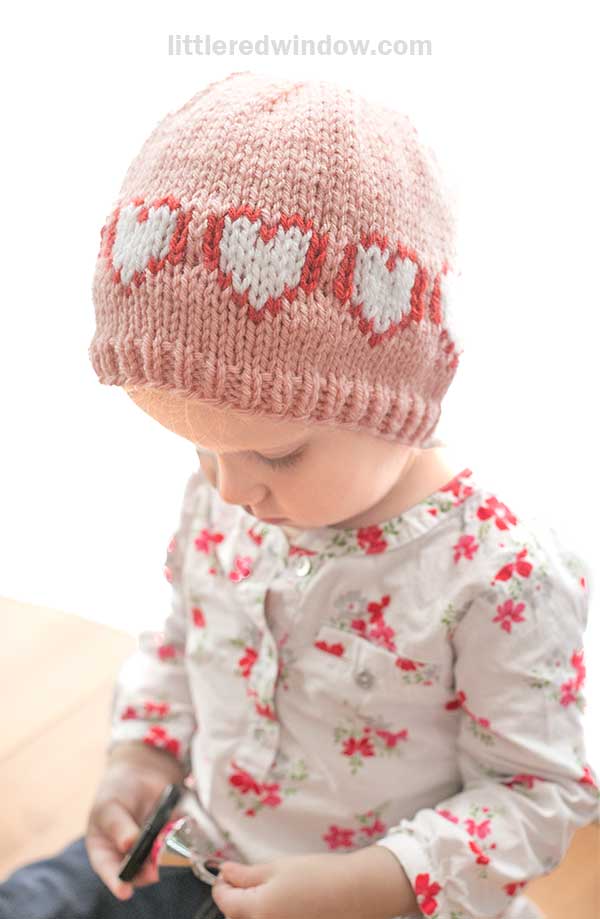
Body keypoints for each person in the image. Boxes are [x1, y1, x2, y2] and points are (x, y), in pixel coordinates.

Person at [1, 69, 598, 919]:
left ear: (397, 401)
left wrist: (372, 880)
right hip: (204, 848)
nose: (231, 487)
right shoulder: (225, 488)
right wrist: (144, 757)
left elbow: (537, 795)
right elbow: (181, 640)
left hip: (379, 897)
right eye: (199, 449)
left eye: (272, 454)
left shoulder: (499, 576)